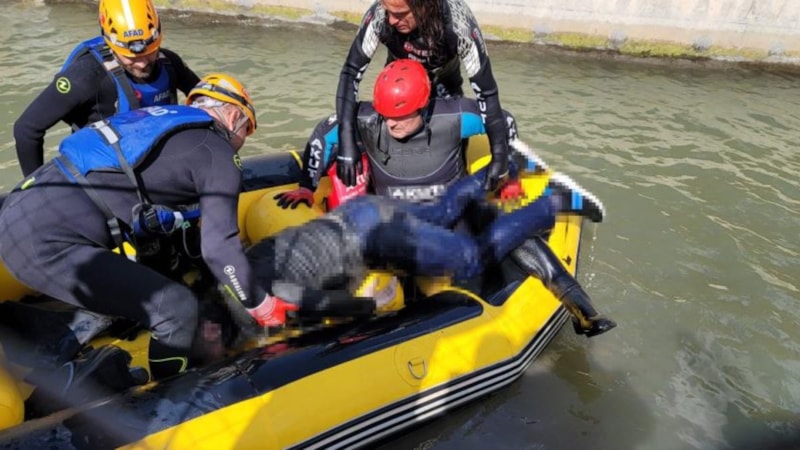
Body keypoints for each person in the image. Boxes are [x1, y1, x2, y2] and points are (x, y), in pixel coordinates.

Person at [278, 59, 616, 337]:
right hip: (402, 220)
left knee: (510, 235)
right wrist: (308, 184)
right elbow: (325, 131)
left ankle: (580, 308)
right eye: (387, 116)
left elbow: (503, 119)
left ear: (423, 106)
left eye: (402, 116)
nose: (392, 124)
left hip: (456, 212)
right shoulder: (368, 119)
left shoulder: (454, 116)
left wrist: (505, 166)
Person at [0, 73, 263, 386]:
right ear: (235, 115)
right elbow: (221, 248)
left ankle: (52, 340)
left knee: (138, 290)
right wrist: (263, 305)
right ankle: (168, 398)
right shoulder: (217, 150)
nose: (243, 141)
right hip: (44, 242)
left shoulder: (158, 122)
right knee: (177, 309)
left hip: (19, 209)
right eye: (246, 129)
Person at [247, 166, 588, 328]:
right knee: (440, 211)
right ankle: (504, 169)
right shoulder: (239, 261)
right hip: (358, 212)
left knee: (470, 259)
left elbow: (319, 304)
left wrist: (368, 306)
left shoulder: (259, 300)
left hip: (372, 239)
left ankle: (551, 203)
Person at [334, 0, 510, 193]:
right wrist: (346, 140)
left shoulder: (459, 24)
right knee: (394, 136)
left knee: (452, 140)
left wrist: (499, 155)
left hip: (444, 83)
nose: (392, 20)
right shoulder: (379, 16)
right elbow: (350, 73)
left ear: (425, 6)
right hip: (400, 83)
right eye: (388, 12)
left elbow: (486, 92)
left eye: (400, 14)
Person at [13, 0, 200, 177]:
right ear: (111, 44)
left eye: (150, 52)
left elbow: (206, 98)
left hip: (160, 167)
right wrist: (35, 187)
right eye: (131, 57)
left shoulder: (169, 63)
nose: (142, 64)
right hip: (106, 176)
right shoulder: (86, 76)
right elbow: (26, 130)